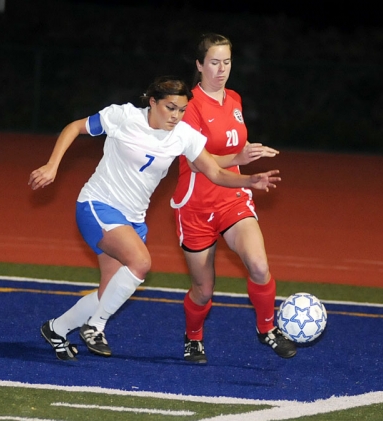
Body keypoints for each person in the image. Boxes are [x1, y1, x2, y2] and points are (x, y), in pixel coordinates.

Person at [28, 76, 281, 361]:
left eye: (182, 110)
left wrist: (251, 179)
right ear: (152, 102)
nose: (176, 116)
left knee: (108, 293)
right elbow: (75, 127)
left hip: (133, 218)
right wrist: (52, 166)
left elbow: (214, 172)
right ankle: (95, 326)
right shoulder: (123, 116)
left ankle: (56, 329)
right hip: (98, 205)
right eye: (170, 108)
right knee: (141, 262)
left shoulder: (183, 135)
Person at [171, 33, 297, 363]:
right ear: (199, 65)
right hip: (195, 206)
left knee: (258, 265)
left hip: (232, 199)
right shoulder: (191, 107)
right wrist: (243, 163)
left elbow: (233, 147)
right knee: (204, 291)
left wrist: (245, 157)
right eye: (214, 62)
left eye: (227, 62)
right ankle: (193, 337)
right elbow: (203, 164)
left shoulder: (235, 100)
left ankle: (267, 329)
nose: (221, 69)